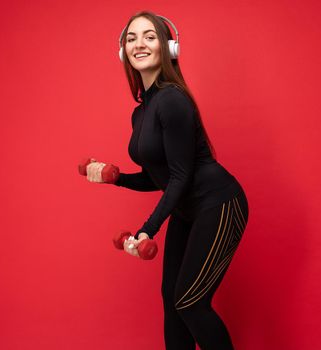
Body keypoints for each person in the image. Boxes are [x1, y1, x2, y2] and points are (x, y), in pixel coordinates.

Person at [86, 10, 249, 350]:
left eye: (149, 36)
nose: (139, 44)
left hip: (219, 204)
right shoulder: (142, 111)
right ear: (123, 52)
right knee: (172, 300)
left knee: (190, 301)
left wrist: (148, 228)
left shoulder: (173, 99)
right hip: (189, 208)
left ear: (168, 47)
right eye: (131, 38)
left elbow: (180, 175)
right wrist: (114, 178)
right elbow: (155, 177)